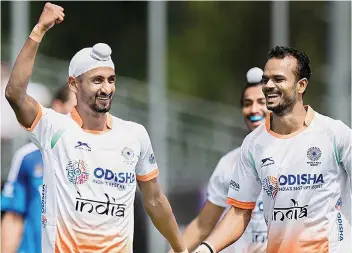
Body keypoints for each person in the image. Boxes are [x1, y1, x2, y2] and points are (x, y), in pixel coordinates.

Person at [5, 3, 188, 253]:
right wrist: (39, 30)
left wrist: (181, 249)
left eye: (111, 80)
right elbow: (15, 93)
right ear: (74, 84)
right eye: (97, 80)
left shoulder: (135, 135)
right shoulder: (53, 126)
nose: (106, 88)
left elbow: (155, 200)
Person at [194, 46, 352, 253]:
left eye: (278, 79)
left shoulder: (335, 133)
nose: (268, 85)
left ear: (301, 85)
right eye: (266, 79)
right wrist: (205, 249)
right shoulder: (253, 144)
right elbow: (239, 212)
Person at [169, 67, 269, 253]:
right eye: (247, 103)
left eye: (261, 102)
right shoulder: (229, 164)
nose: (254, 109)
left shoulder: (296, 156)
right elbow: (203, 225)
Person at [1, 85, 77, 253]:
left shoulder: (100, 160)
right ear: (58, 107)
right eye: (76, 106)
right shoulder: (28, 157)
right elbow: (13, 218)